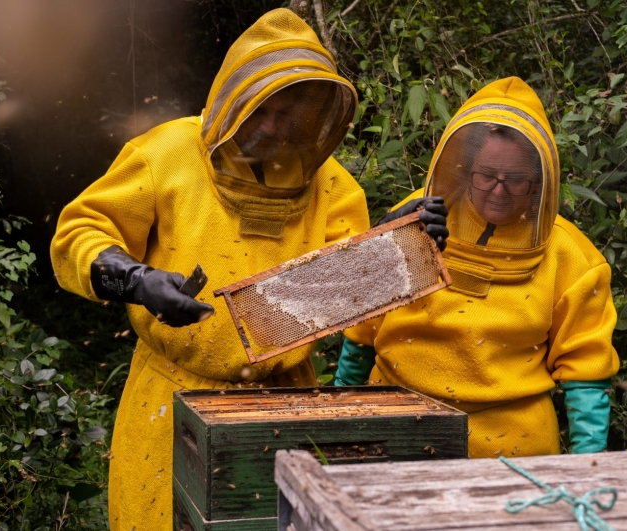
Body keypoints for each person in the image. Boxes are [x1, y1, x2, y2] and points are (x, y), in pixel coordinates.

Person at [50, 9, 380, 530]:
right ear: (235, 97)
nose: (272, 127)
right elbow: (79, 235)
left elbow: (356, 288)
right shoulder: (167, 154)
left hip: (285, 403)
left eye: (289, 113)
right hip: (171, 398)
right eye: (261, 109)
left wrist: (397, 243)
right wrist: (136, 279)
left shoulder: (333, 186)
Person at [335, 76, 620, 458]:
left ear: (538, 183)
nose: (498, 191)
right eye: (487, 176)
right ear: (467, 167)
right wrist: (339, 419)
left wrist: (589, 470)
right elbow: (360, 330)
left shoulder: (572, 256)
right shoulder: (416, 216)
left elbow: (586, 373)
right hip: (392, 424)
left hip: (512, 448)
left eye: (516, 181)